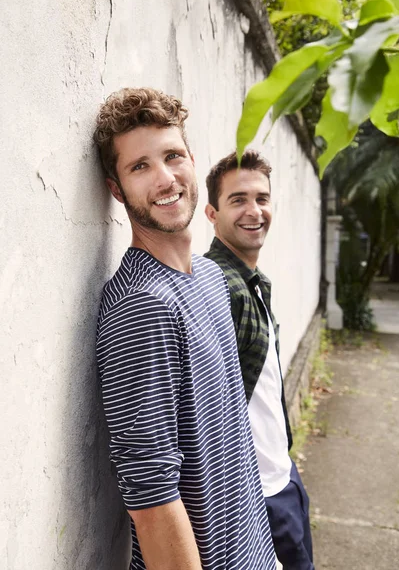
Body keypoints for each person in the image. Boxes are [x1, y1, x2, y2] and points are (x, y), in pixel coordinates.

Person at [93, 88, 276, 570]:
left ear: (193, 160)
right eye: (140, 167)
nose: (165, 178)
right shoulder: (141, 307)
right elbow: (152, 500)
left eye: (173, 156)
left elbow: (230, 438)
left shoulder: (212, 277)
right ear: (117, 189)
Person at [205, 150, 314, 570]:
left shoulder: (252, 283)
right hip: (257, 494)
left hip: (282, 473)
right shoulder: (217, 285)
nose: (254, 211)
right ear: (212, 214)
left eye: (262, 198)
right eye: (238, 200)